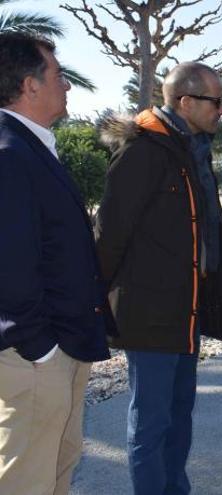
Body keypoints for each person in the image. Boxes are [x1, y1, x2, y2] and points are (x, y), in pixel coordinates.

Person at [94, 62, 222, 494]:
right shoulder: (143, 149)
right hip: (150, 312)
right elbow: (109, 233)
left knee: (178, 418)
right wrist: (91, 303)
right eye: (216, 101)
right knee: (151, 424)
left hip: (185, 310)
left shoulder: (194, 148)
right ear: (186, 102)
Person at [0, 32, 113, 495]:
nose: (67, 87)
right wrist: (40, 350)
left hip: (60, 348)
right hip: (37, 358)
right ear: (30, 85)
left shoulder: (31, 147)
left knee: (55, 472)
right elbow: (9, 266)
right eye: (59, 76)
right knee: (27, 481)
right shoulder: (9, 155)